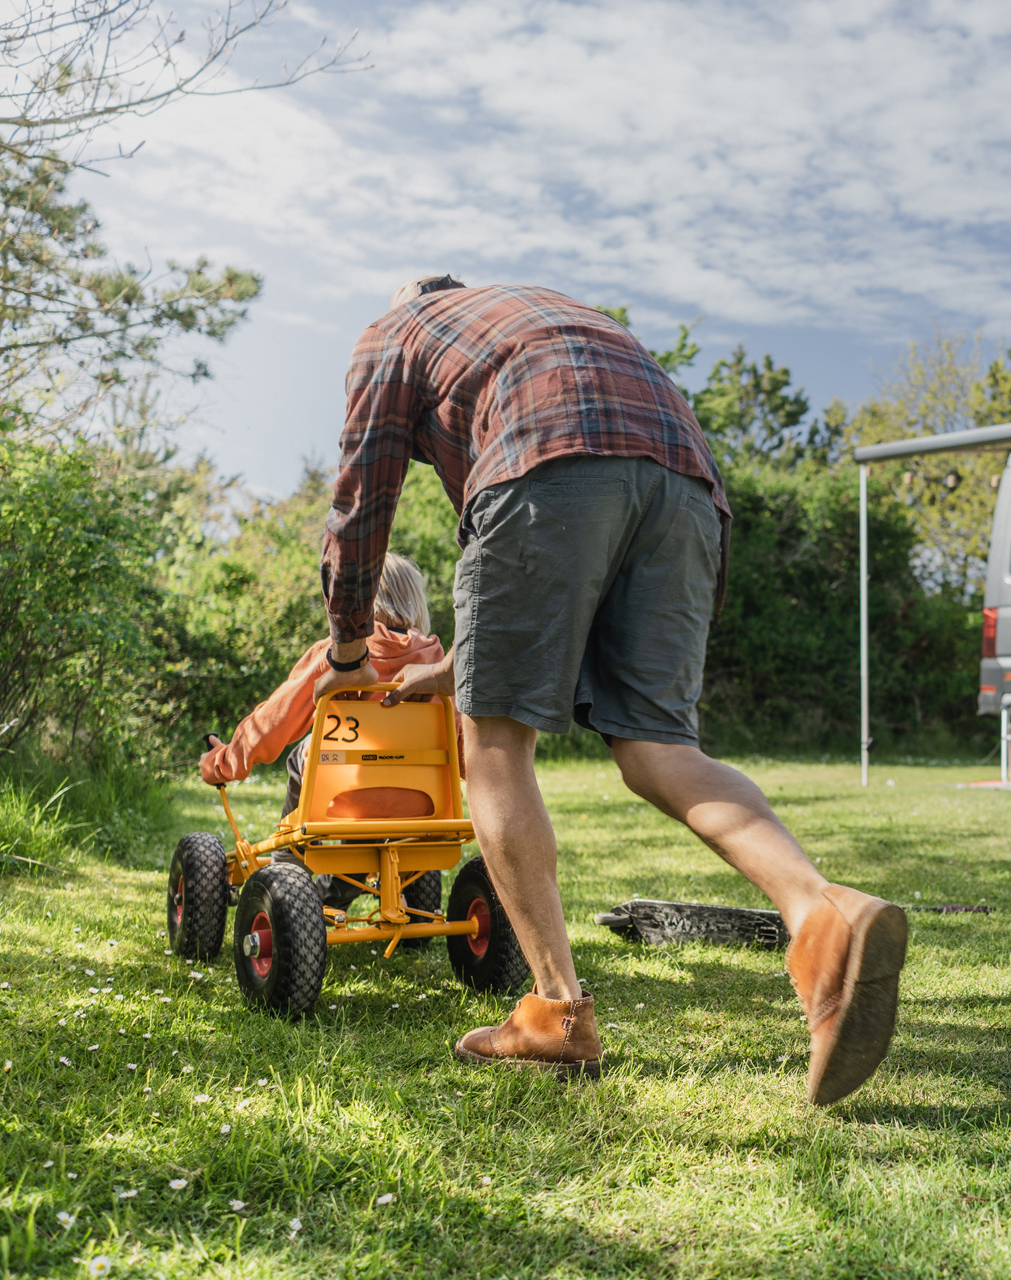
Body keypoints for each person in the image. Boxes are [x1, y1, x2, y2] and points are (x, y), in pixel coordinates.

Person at [312, 276, 907, 1105]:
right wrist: (450, 666)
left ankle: (555, 1014)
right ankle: (820, 914)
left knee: (493, 745)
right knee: (660, 748)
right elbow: (550, 569)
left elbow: (363, 494)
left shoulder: (395, 332)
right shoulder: (541, 312)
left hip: (546, 463)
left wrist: (346, 644)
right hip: (686, 488)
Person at [199, 551, 445, 821]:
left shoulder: (338, 655)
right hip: (422, 805)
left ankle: (290, 856)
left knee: (302, 754)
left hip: (342, 798)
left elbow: (272, 723)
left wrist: (221, 763)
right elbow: (461, 737)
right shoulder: (437, 665)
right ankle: (400, 858)